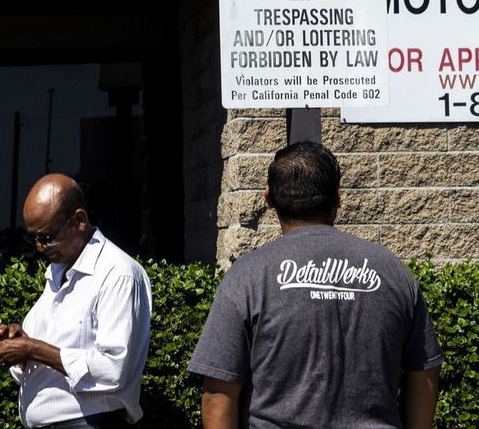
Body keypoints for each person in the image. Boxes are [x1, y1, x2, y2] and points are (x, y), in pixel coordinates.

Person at [189, 141, 443, 429]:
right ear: (337, 196)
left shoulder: (248, 277)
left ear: (269, 197)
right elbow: (424, 372)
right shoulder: (392, 271)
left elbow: (218, 396)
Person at [0, 174, 152, 428]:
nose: (40, 247)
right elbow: (44, 361)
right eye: (33, 239)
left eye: (47, 237)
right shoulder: (57, 273)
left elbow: (114, 368)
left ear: (79, 220)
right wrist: (20, 346)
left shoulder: (117, 273)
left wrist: (33, 349)